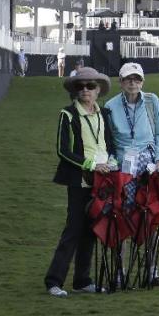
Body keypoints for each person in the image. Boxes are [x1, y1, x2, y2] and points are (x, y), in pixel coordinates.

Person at [45, 67, 113, 297]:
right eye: (80, 86)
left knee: (91, 231)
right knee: (73, 230)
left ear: (98, 90)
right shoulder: (68, 114)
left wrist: (111, 162)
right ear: (75, 91)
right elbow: (62, 151)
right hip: (80, 181)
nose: (85, 90)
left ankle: (82, 281)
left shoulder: (104, 114)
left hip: (102, 181)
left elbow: (109, 144)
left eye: (90, 86)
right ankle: (54, 281)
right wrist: (91, 165)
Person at [103, 62, 159, 287]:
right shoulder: (110, 106)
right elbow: (108, 141)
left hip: (149, 167)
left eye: (137, 79)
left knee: (150, 217)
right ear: (120, 82)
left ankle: (151, 271)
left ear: (142, 81)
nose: (133, 82)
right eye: (128, 79)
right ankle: (120, 273)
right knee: (121, 217)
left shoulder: (152, 101)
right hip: (123, 168)